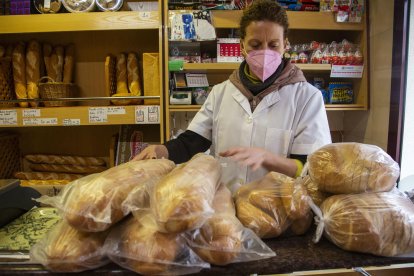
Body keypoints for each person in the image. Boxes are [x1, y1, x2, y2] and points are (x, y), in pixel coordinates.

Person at [135, 0, 331, 190]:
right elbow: (192, 142)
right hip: (226, 207)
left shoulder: (307, 98)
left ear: (285, 45)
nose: (265, 52)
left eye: (273, 45)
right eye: (255, 44)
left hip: (279, 212)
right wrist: (163, 150)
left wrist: (269, 159)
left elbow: (314, 168)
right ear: (241, 46)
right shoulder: (221, 92)